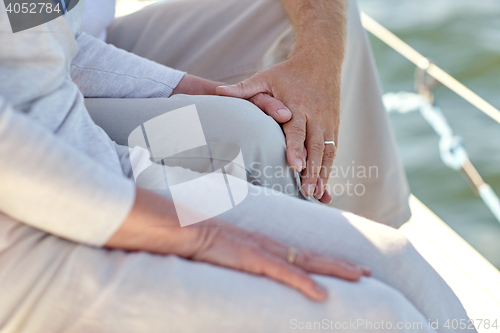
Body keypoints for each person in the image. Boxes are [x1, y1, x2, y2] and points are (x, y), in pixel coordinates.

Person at [0, 1, 475, 332]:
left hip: (97, 159)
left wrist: (197, 89)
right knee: (375, 314)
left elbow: (43, 43)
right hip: (26, 236)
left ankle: (347, 213)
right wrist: (200, 235)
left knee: (395, 261)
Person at [75, 0, 411, 228]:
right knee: (247, 132)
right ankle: (320, 276)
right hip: (46, 90)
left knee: (320, 21)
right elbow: (36, 52)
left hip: (89, 35)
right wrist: (208, 92)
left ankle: (369, 240)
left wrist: (318, 66)